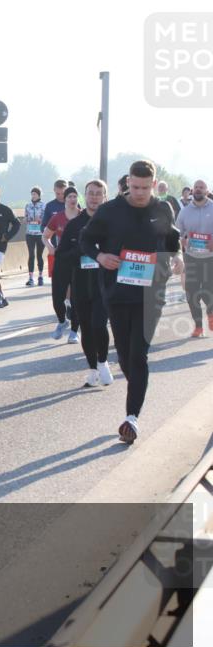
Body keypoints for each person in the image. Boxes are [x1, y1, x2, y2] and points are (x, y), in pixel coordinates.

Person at [81, 160, 183, 444]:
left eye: (145, 188)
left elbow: (173, 241)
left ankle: (131, 418)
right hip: (117, 293)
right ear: (127, 183)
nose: (139, 193)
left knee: (139, 354)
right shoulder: (110, 211)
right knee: (125, 355)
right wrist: (100, 256)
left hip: (152, 293)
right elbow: (85, 239)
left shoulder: (162, 208)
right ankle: (135, 386)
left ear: (153, 184)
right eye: (134, 187)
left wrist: (178, 258)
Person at [56, 180, 113, 387]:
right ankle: (92, 369)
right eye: (91, 193)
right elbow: (61, 256)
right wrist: (83, 250)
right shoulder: (74, 225)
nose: (94, 197)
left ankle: (103, 362)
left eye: (99, 193)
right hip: (80, 283)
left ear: (105, 197)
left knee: (99, 324)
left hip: (104, 284)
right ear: (84, 196)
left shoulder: (111, 223)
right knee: (87, 328)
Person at [43, 186, 82, 343]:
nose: (72, 199)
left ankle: (74, 332)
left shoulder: (83, 216)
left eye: (75, 196)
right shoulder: (57, 218)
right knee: (57, 297)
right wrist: (51, 247)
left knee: (76, 297)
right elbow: (45, 236)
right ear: (64, 200)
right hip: (61, 259)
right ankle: (62, 321)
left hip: (79, 261)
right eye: (69, 197)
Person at [176, 179, 213, 337]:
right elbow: (177, 231)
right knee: (191, 293)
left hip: (210, 257)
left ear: (207, 190)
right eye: (196, 187)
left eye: (202, 187)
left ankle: (211, 314)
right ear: (192, 191)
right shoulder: (185, 211)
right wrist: (182, 239)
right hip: (190, 256)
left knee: (208, 291)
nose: (198, 190)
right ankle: (198, 326)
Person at [24, 187, 46, 286]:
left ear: (39, 195)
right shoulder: (28, 206)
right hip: (30, 233)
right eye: (32, 194)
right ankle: (30, 278)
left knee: (39, 255)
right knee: (31, 255)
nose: (33, 196)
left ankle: (40, 276)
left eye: (35, 194)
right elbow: (25, 218)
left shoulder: (43, 205)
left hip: (40, 233)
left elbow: (46, 218)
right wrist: (27, 219)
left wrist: (40, 219)